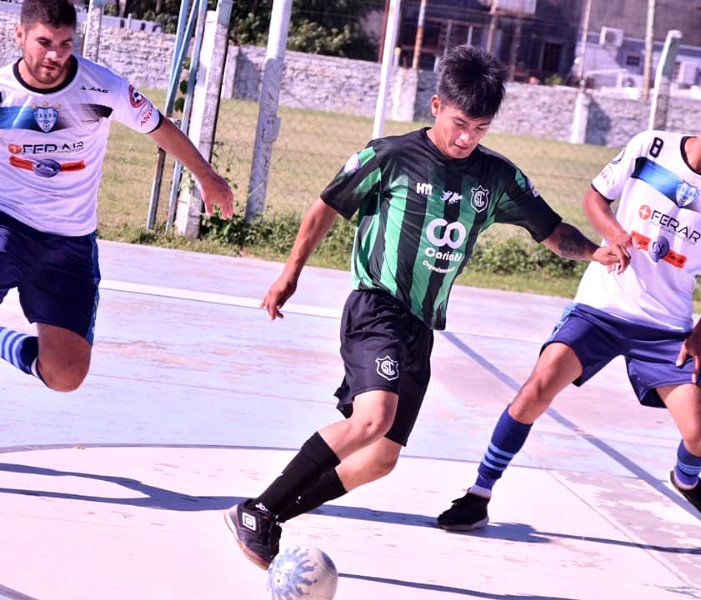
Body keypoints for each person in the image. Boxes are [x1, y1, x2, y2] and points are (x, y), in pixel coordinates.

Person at [224, 45, 631, 570]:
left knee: (380, 460)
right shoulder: (390, 155)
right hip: (377, 306)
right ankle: (258, 510)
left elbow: (551, 231)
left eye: (480, 129)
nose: (467, 138)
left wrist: (596, 251)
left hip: (422, 327)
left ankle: (272, 516)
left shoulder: (495, 178)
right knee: (374, 419)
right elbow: (325, 206)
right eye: (460, 123)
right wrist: (290, 272)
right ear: (436, 105)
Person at [437, 72, 701, 533]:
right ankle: (479, 493)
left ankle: (688, 482)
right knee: (538, 387)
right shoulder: (651, 148)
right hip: (602, 306)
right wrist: (613, 234)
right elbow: (595, 197)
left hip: (667, 328)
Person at [0, 0, 234, 392]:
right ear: (19, 35)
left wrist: (207, 177)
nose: (55, 54)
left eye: (65, 43)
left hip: (69, 242)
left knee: (66, 376)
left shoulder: (102, 86)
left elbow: (160, 127)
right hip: (7, 222)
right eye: (44, 42)